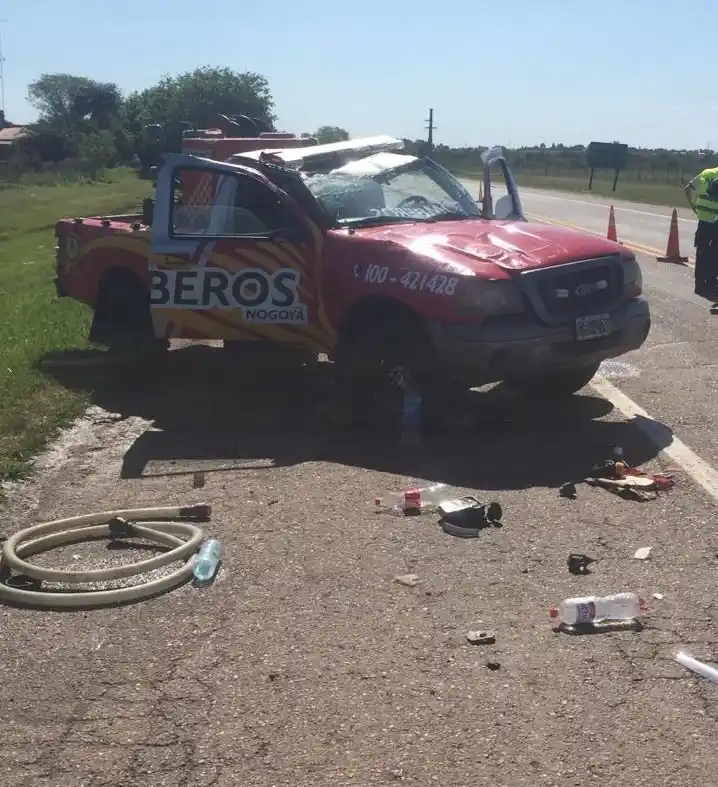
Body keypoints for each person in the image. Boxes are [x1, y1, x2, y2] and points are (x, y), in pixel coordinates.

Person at [684, 165, 718, 297]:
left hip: (703, 218)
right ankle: (710, 284)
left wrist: (694, 206)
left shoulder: (707, 173)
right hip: (716, 219)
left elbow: (687, 189)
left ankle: (699, 285)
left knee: (701, 250)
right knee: (714, 252)